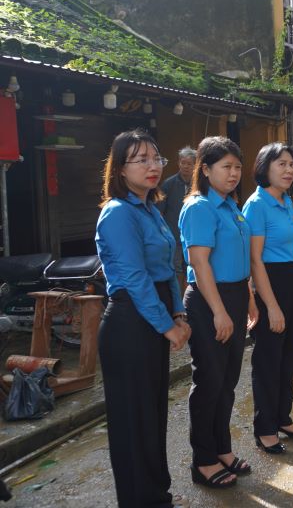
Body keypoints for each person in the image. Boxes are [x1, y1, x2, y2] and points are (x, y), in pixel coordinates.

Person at [95, 130, 191, 508]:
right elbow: (134, 278)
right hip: (129, 325)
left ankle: (156, 495)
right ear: (120, 169)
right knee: (133, 424)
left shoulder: (150, 208)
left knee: (152, 416)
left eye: (156, 158)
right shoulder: (117, 213)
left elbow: (167, 268)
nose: (153, 166)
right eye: (141, 159)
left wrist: (178, 313)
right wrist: (168, 326)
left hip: (155, 319)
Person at [180, 136, 254, 489]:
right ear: (205, 169)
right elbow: (200, 263)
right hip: (211, 300)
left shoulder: (230, 207)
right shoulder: (199, 208)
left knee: (227, 381)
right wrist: (220, 312)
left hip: (236, 296)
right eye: (226, 167)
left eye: (237, 167)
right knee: (209, 382)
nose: (234, 173)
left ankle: (222, 449)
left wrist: (249, 298)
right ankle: (203, 460)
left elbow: (240, 261)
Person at [243, 143, 293, 454]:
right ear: (264, 167)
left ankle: (283, 418)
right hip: (268, 282)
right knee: (268, 360)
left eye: (291, 164)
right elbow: (255, 260)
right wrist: (269, 305)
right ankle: (265, 429)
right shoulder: (256, 205)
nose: (289, 170)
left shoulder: (286, 202)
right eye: (281, 164)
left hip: (292, 280)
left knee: (290, 356)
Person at [156, 146, 196, 282]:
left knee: (192, 266)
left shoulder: (199, 185)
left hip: (193, 235)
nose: (185, 166)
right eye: (182, 163)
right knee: (176, 269)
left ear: (195, 165)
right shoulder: (168, 184)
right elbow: (159, 212)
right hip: (173, 235)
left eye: (189, 164)